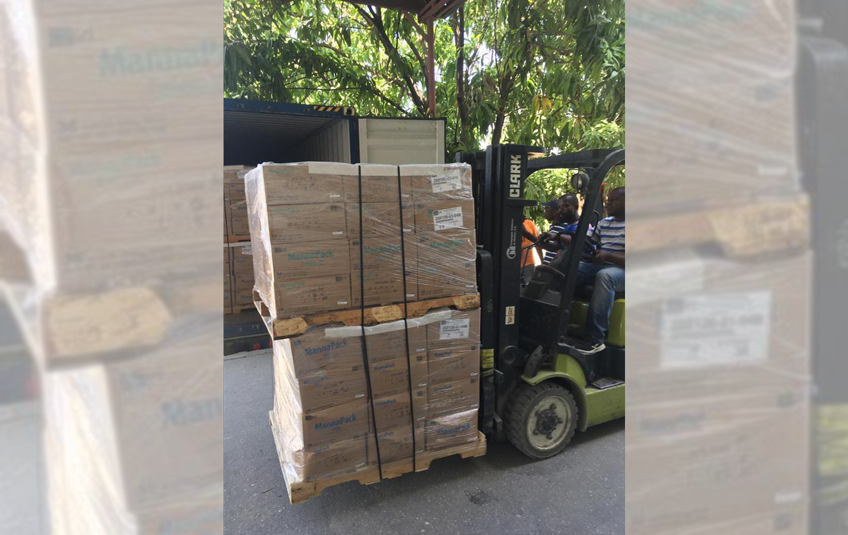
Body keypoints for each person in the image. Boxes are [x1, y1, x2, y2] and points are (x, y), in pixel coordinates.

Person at [569, 187, 625, 355]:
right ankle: (559, 322)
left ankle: (595, 340)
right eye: (608, 199)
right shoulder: (604, 223)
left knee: (605, 276)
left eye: (613, 199)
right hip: (603, 264)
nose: (608, 202)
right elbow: (586, 242)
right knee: (573, 269)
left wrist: (608, 255)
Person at [540, 194, 596, 265]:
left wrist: (557, 236)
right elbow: (557, 249)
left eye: (566, 206)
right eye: (559, 207)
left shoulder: (583, 226)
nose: (561, 210)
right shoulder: (567, 228)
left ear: (576, 207)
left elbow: (577, 241)